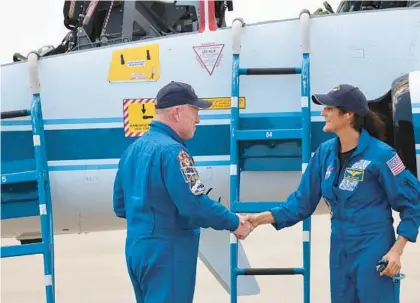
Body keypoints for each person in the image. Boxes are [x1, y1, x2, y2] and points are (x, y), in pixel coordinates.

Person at [244, 84, 420, 303]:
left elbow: (412, 203)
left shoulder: (383, 155)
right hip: (340, 250)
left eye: (329, 108)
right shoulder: (325, 153)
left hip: (373, 249)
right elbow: (300, 203)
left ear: (348, 115)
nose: (323, 113)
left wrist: (396, 251)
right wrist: (257, 219)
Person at [112, 81, 252, 303]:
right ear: (177, 112)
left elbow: (120, 206)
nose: (198, 119)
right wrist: (233, 222)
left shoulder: (131, 151)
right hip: (168, 252)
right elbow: (193, 204)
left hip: (137, 250)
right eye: (195, 111)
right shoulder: (174, 152)